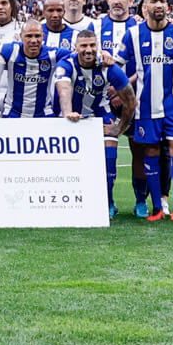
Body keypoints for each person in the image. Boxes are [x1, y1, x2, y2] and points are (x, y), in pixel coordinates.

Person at [120, 0, 173, 223]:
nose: (159, 5)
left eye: (163, 1)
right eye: (154, 1)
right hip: (145, 109)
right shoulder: (132, 35)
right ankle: (156, 208)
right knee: (151, 151)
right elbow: (119, 67)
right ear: (144, 8)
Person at [56, 29, 134, 220]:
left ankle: (108, 203)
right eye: (83, 46)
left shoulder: (109, 68)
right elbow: (64, 90)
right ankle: (71, 203)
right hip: (72, 118)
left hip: (100, 116)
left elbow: (131, 101)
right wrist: (67, 112)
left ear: (98, 46)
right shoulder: (66, 65)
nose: (88, 50)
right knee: (68, 166)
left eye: (92, 45)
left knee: (109, 161)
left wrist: (119, 128)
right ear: (76, 47)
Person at [0, 28, 63, 119]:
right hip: (13, 112)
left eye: (37, 36)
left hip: (44, 113)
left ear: (43, 36)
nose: (33, 40)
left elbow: (77, 58)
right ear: (21, 37)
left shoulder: (52, 54)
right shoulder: (10, 50)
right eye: (29, 36)